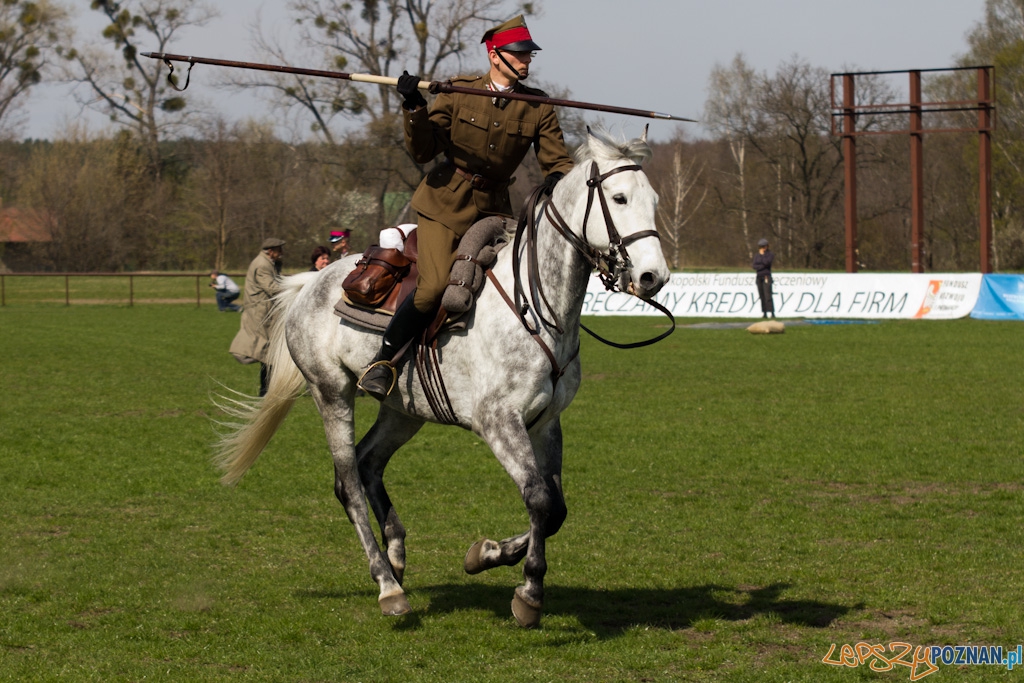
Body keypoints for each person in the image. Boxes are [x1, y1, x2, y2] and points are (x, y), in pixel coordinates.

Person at [357, 14, 574, 400]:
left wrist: (560, 182)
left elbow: (558, 164)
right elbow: (423, 150)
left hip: (494, 209)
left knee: (513, 285)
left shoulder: (538, 106)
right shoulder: (458, 91)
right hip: (444, 202)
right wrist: (413, 106)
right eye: (519, 54)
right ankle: (383, 361)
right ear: (495, 55)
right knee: (434, 288)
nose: (527, 61)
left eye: (529, 55)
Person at [230, 237, 285, 397]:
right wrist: (294, 290)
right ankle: (265, 390)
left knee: (268, 353)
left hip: (264, 311)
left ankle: (267, 390)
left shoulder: (267, 263)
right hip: (261, 313)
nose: (281, 253)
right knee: (267, 353)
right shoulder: (262, 265)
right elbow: (271, 288)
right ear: (270, 251)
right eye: (279, 250)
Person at [753, 238, 775, 319]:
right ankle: (764, 312)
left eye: (764, 246)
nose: (762, 248)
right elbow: (754, 266)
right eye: (761, 247)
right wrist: (761, 266)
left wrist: (762, 256)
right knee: (762, 295)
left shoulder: (770, 254)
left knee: (768, 295)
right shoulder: (756, 255)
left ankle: (772, 312)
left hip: (766, 276)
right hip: (759, 276)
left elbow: (767, 263)